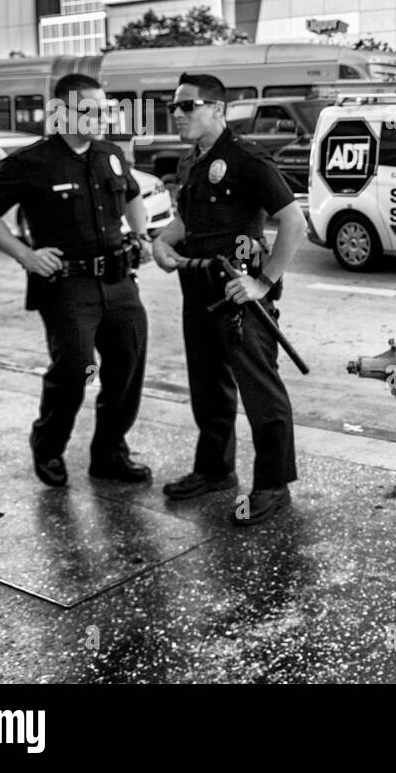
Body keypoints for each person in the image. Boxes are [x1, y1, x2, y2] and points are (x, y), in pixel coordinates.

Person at [0, 74, 152, 488]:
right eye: (91, 110)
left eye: (106, 109)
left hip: (121, 281)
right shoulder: (31, 162)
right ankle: (48, 445)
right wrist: (25, 255)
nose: (102, 117)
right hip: (67, 287)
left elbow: (134, 195)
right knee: (74, 370)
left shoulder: (110, 154)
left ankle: (109, 453)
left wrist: (140, 236)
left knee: (126, 368)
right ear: (60, 113)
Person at [151, 73, 304, 526]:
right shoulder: (192, 163)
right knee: (208, 386)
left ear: (218, 109)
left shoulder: (245, 158)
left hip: (240, 292)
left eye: (188, 105)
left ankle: (273, 486)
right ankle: (215, 470)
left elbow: (293, 222)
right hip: (196, 288)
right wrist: (163, 241)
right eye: (173, 107)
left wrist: (264, 282)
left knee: (261, 393)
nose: (177, 114)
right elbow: (187, 220)